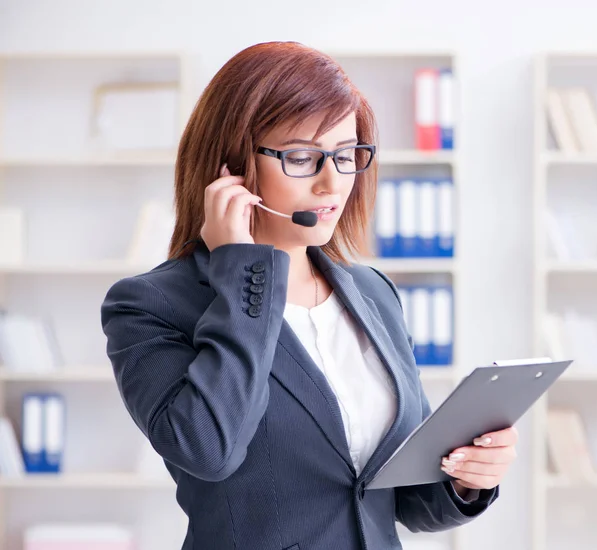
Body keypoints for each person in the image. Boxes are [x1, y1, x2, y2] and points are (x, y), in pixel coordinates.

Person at [101, 41, 517, 550]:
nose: (332, 183)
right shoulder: (150, 306)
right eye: (301, 157)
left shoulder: (372, 293)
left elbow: (400, 499)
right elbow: (210, 449)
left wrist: (467, 479)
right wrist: (242, 272)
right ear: (230, 166)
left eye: (345, 156)